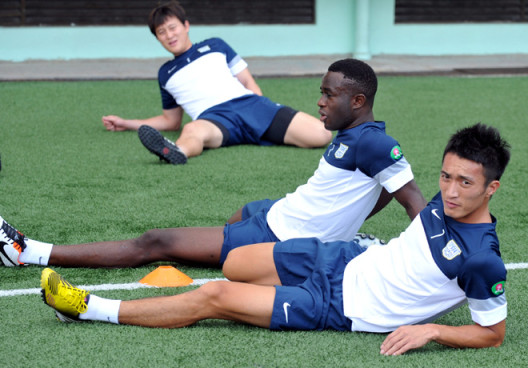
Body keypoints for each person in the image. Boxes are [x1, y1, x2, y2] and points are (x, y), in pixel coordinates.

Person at [40, 123, 510, 355]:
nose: (449, 191)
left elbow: (494, 332)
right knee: (236, 262)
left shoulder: (482, 260)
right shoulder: (442, 202)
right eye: (446, 176)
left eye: (464, 183)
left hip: (340, 305)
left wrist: (433, 329)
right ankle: (258, 298)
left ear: (491, 188)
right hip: (338, 258)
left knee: (215, 294)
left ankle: (89, 308)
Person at [0, 58, 425, 269]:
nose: (319, 100)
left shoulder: (375, 144)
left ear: (357, 101)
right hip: (280, 211)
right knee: (241, 210)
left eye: (329, 95)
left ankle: (26, 252)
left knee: (155, 241)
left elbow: (413, 201)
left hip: (282, 237)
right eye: (321, 91)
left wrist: (426, 257)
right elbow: (386, 187)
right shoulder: (352, 135)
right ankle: (351, 241)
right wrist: (349, 221)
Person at [101, 1, 332, 164]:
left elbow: (248, 81)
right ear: (157, 38)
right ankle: (175, 151)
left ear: (186, 25)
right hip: (214, 120)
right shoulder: (165, 73)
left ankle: (262, 132)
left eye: (172, 27)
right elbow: (171, 121)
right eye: (161, 32)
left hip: (250, 105)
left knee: (321, 135)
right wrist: (128, 123)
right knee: (192, 130)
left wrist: (262, 107)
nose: (169, 35)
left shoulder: (216, 45)